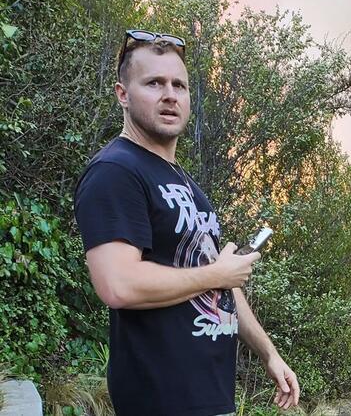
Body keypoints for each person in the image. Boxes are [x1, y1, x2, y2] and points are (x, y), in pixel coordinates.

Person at [74, 30, 299, 415]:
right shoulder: (116, 172)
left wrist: (269, 353)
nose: (170, 94)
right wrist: (217, 274)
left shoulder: (184, 182)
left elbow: (221, 281)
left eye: (179, 85)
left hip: (210, 398)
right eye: (154, 83)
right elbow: (118, 285)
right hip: (160, 402)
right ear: (122, 94)